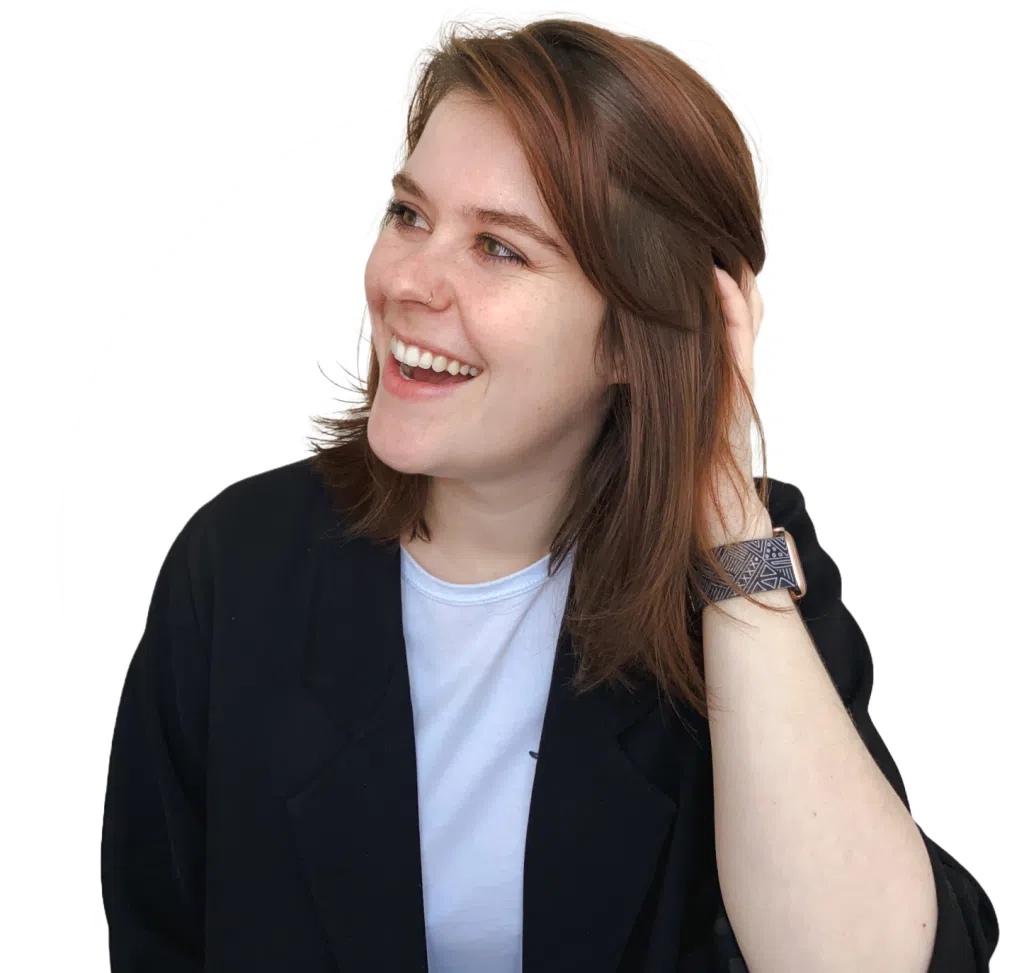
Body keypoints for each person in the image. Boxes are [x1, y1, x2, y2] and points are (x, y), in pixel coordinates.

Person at [99, 9, 998, 972]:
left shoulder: (749, 564)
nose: (408, 282)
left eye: (499, 247)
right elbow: (154, 940)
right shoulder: (237, 565)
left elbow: (868, 960)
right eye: (410, 215)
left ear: (636, 337)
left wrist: (722, 506)